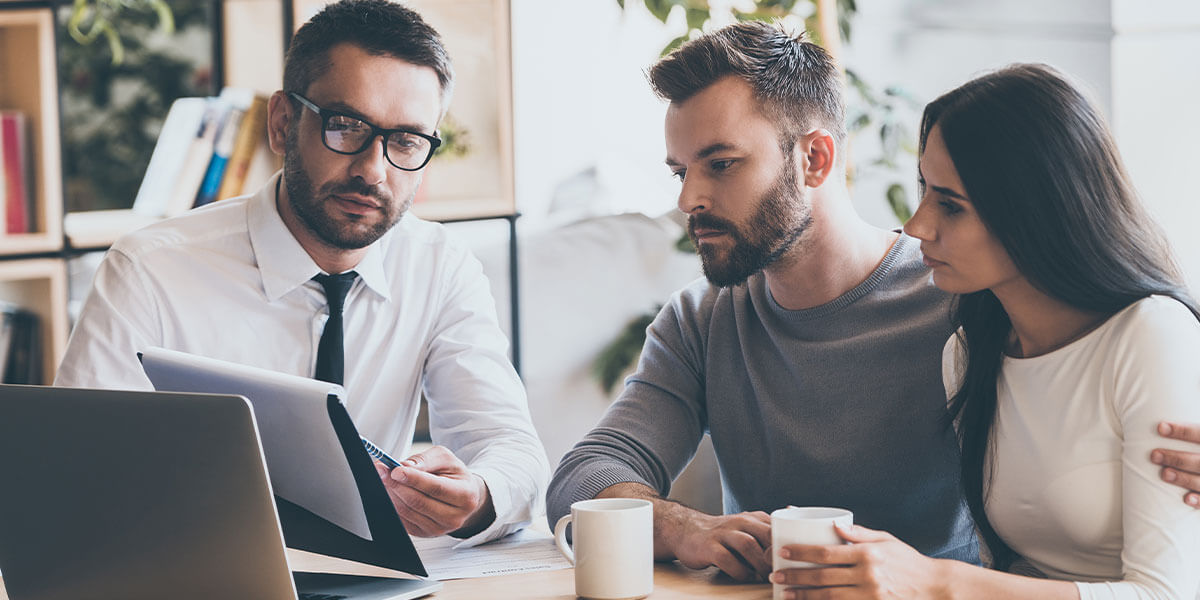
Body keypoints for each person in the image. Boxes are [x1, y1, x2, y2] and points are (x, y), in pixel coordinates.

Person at [547, 22, 1200, 583]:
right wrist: (680, 526)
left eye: (720, 164)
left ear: (815, 158)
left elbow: (1113, 333)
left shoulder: (964, 297)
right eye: (679, 171)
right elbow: (583, 476)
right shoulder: (703, 320)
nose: (689, 199)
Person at [55, 0, 547, 545]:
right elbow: (79, 474)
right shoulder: (150, 270)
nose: (372, 170)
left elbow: (512, 448)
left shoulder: (439, 266)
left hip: (374, 578)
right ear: (284, 123)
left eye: (406, 140)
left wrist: (478, 495)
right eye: (346, 126)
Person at [771, 64, 1199, 599]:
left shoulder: (1149, 336)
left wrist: (934, 581)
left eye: (950, 204)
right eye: (924, 189)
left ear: (1038, 210)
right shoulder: (969, 352)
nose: (917, 225)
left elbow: (1168, 595)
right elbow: (1010, 572)